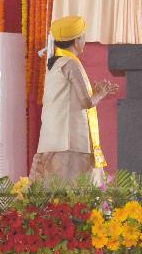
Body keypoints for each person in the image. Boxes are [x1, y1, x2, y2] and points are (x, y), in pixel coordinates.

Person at [31, 15, 119, 183]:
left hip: (53, 141)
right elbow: (87, 102)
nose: (84, 41)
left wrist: (96, 91)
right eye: (83, 37)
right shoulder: (71, 64)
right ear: (77, 40)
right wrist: (101, 93)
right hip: (71, 143)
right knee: (76, 192)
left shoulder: (56, 64)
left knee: (54, 192)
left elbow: (70, 98)